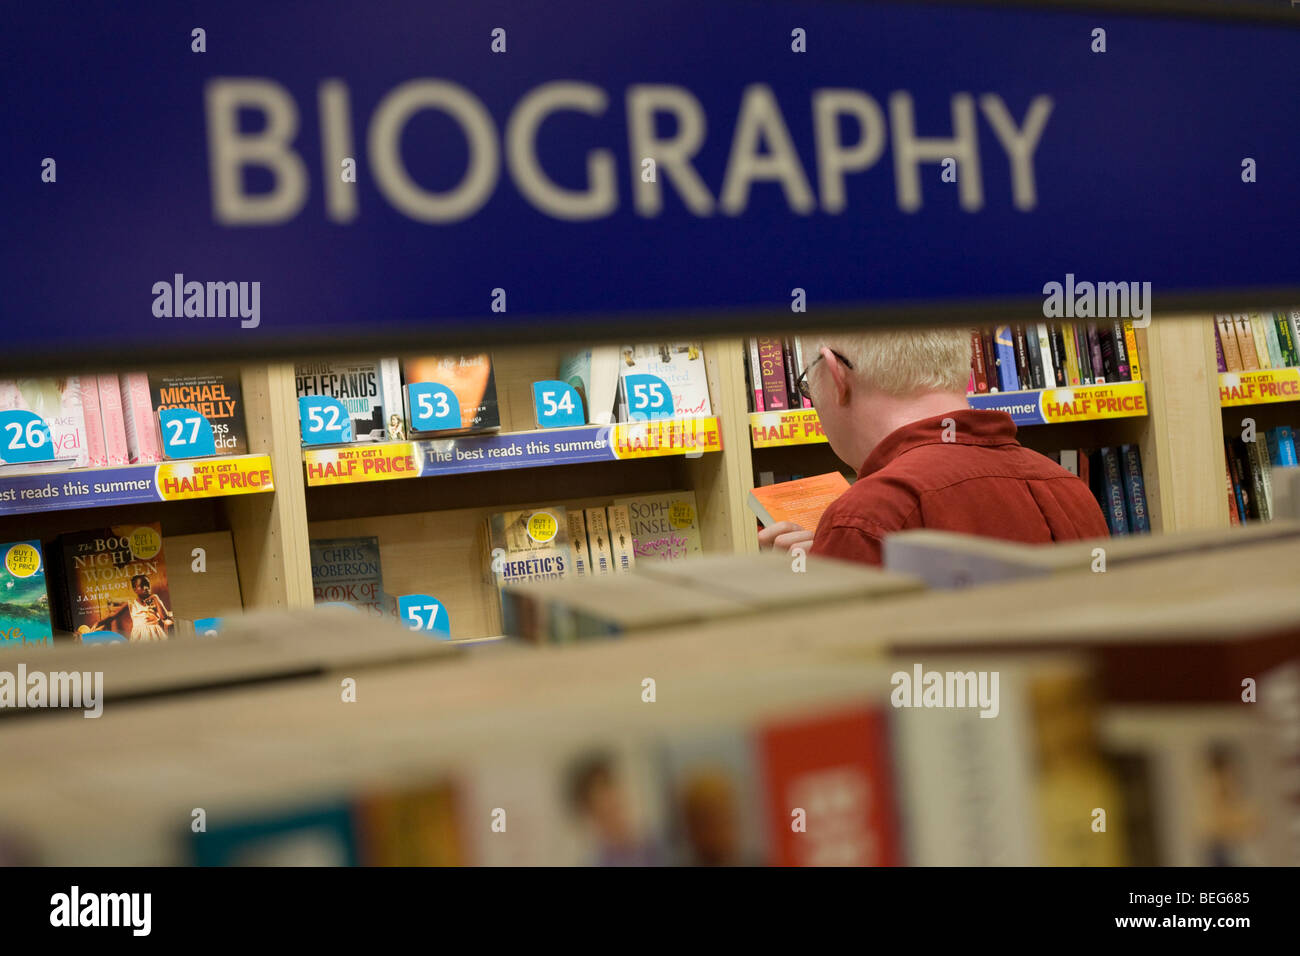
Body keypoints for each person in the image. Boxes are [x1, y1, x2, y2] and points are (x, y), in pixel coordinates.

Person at [758, 328, 1109, 564]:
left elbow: (836, 671)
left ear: (837, 376)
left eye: (807, 385)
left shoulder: (863, 520)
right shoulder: (1070, 489)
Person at [80, 574, 174, 641]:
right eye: (142, 585)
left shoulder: (155, 600)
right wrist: (98, 622)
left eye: (147, 584)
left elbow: (164, 617)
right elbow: (113, 615)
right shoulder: (131, 604)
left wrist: (156, 598)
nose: (146, 588)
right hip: (140, 635)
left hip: (155, 633)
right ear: (135, 589)